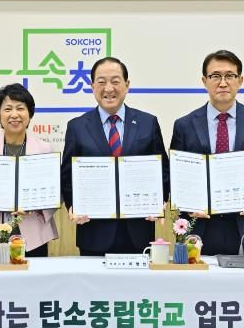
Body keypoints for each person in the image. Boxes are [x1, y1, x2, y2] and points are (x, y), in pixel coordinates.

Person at [170, 50, 244, 256]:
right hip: (198, 225)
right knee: (197, 277)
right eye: (215, 76)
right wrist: (187, 202)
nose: (223, 83)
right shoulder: (184, 125)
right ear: (204, 81)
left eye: (230, 75)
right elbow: (176, 174)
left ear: (240, 80)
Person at [61, 57, 169, 256]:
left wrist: (160, 201)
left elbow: (163, 170)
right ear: (92, 86)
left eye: (115, 81)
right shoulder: (77, 127)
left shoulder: (148, 123)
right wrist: (73, 206)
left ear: (127, 85)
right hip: (93, 232)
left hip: (139, 232)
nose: (108, 88)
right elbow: (67, 176)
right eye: (101, 82)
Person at [0, 83, 58, 257]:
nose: (14, 114)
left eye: (20, 108)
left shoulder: (45, 149)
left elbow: (56, 192)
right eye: (8, 109)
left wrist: (35, 207)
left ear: (29, 113)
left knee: (33, 274)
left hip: (33, 234)